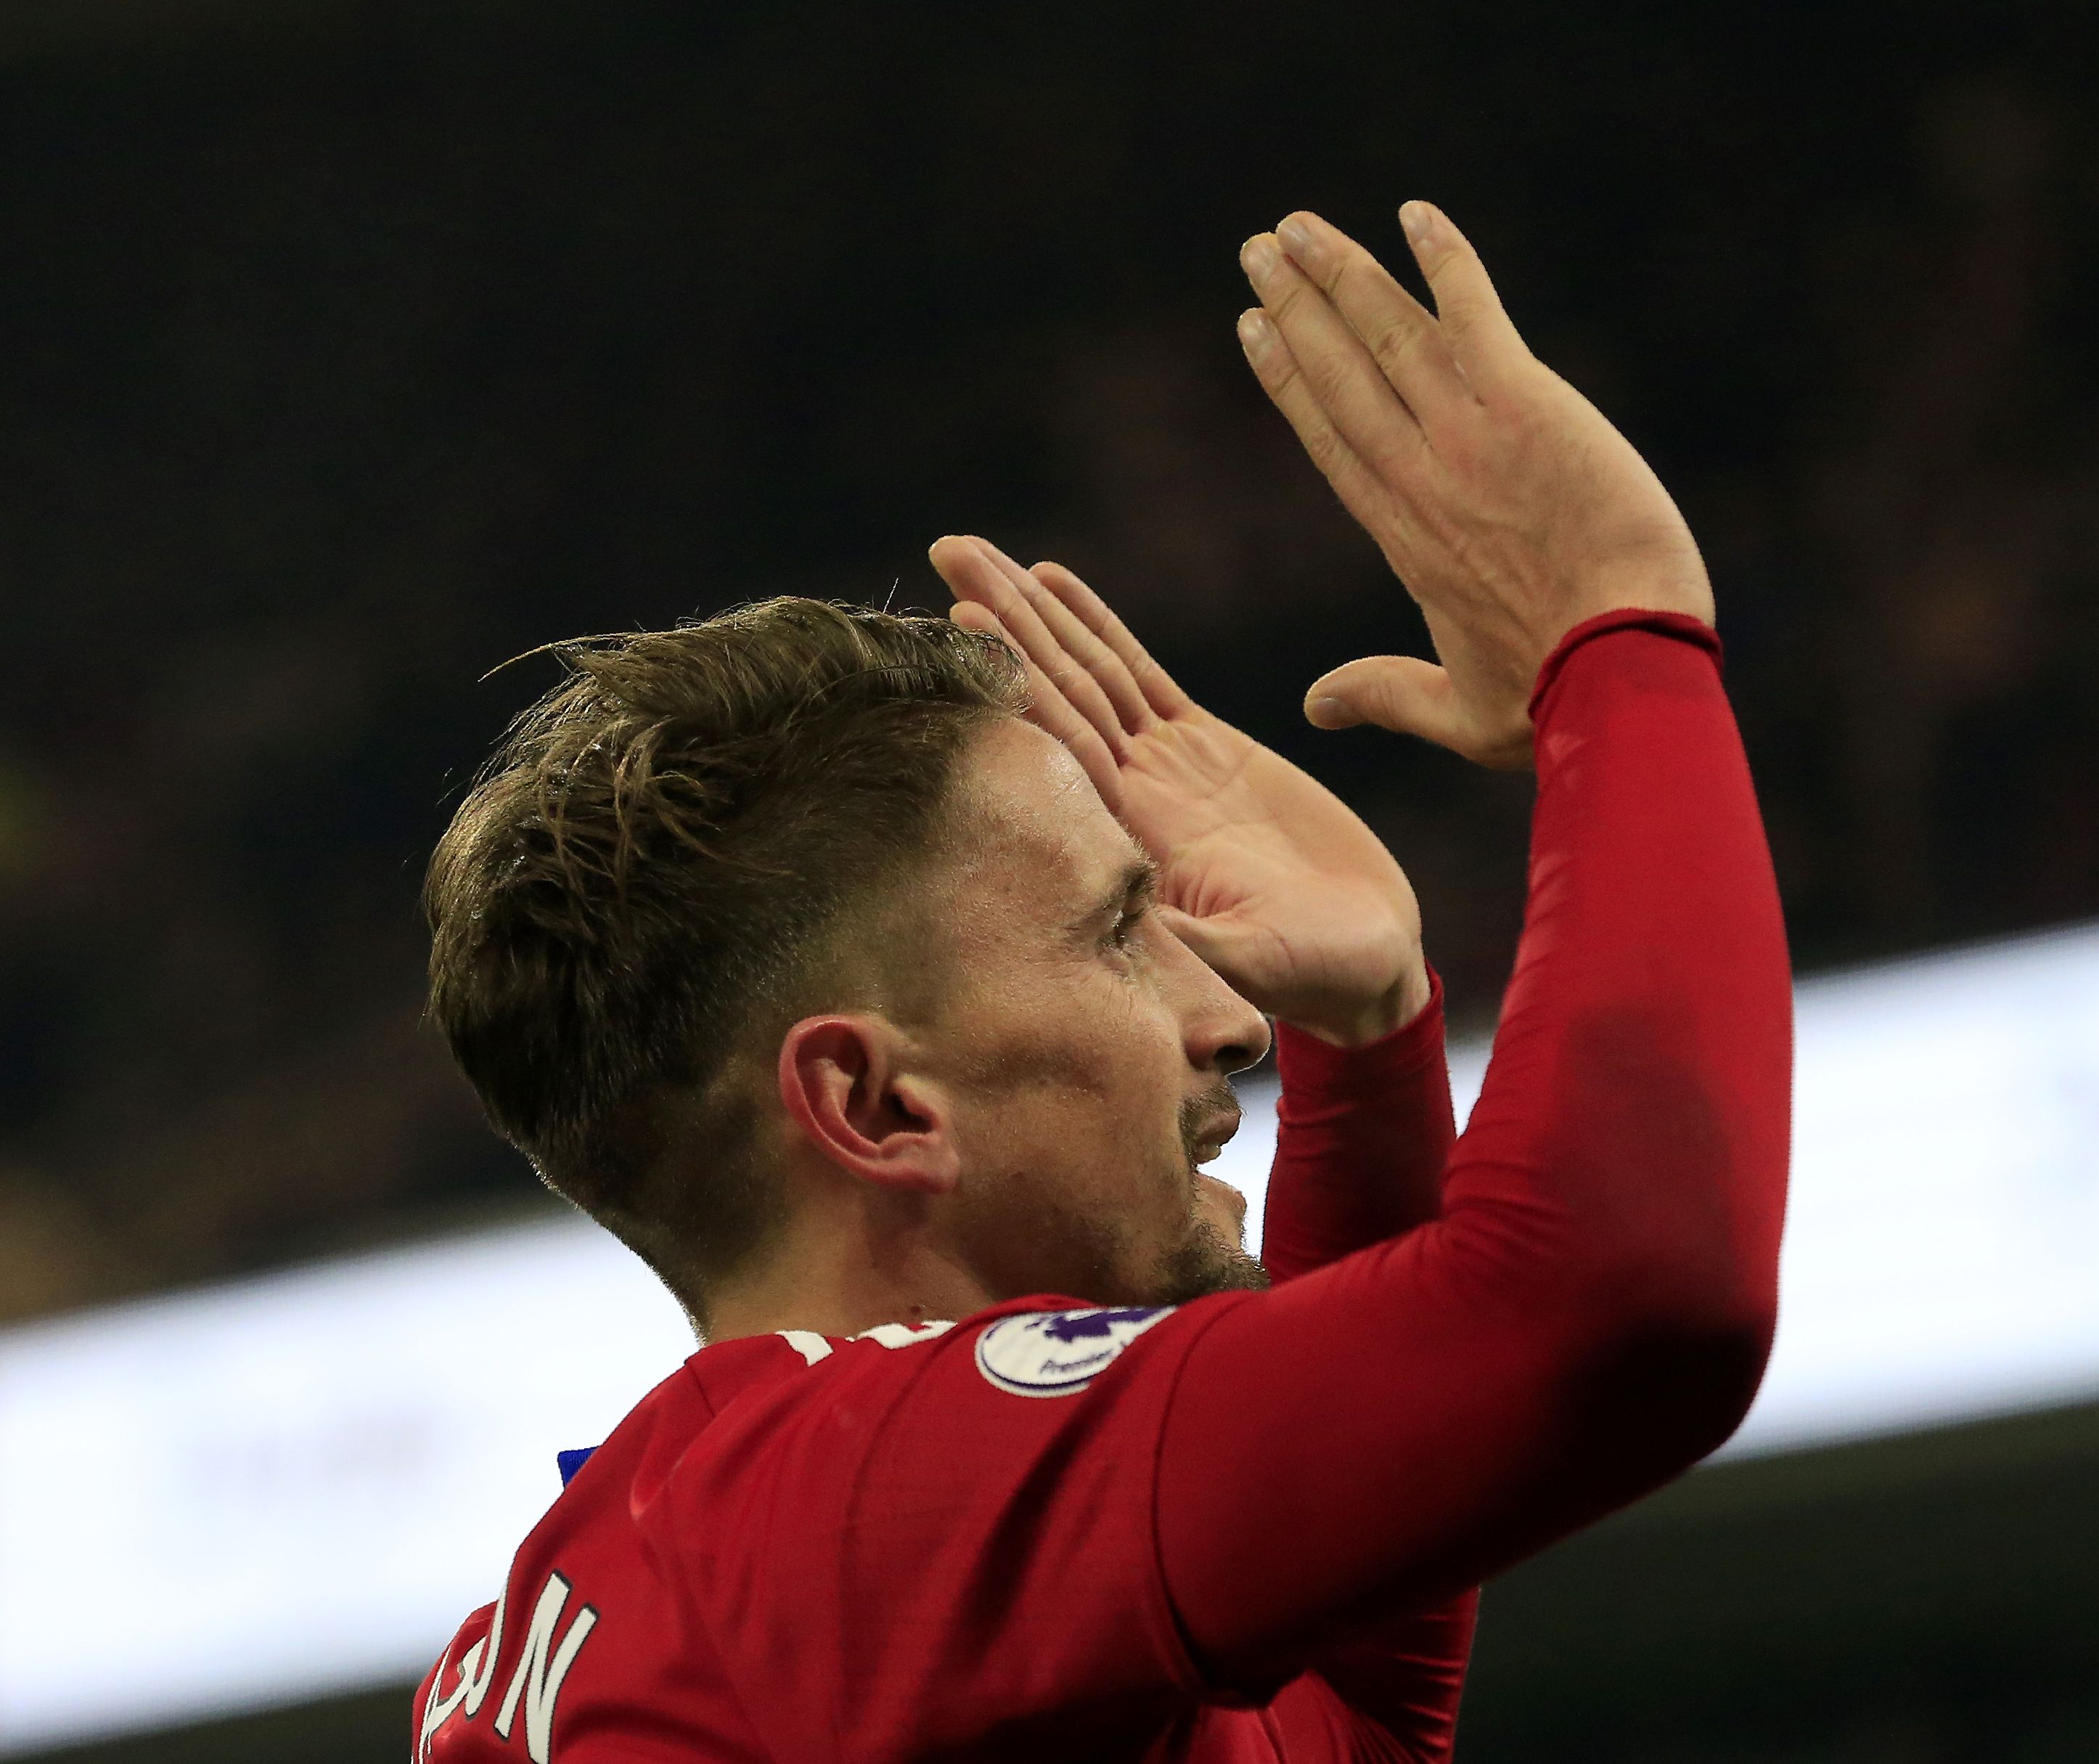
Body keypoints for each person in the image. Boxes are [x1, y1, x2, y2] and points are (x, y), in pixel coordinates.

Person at [411, 200, 1791, 1764]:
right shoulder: (829, 1505)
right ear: (873, 1101)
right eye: (1117, 930)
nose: (1223, 1019)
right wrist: (1619, 636)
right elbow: (1627, 1304)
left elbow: (1339, 1730)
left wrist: (1371, 1039)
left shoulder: (715, 1561)